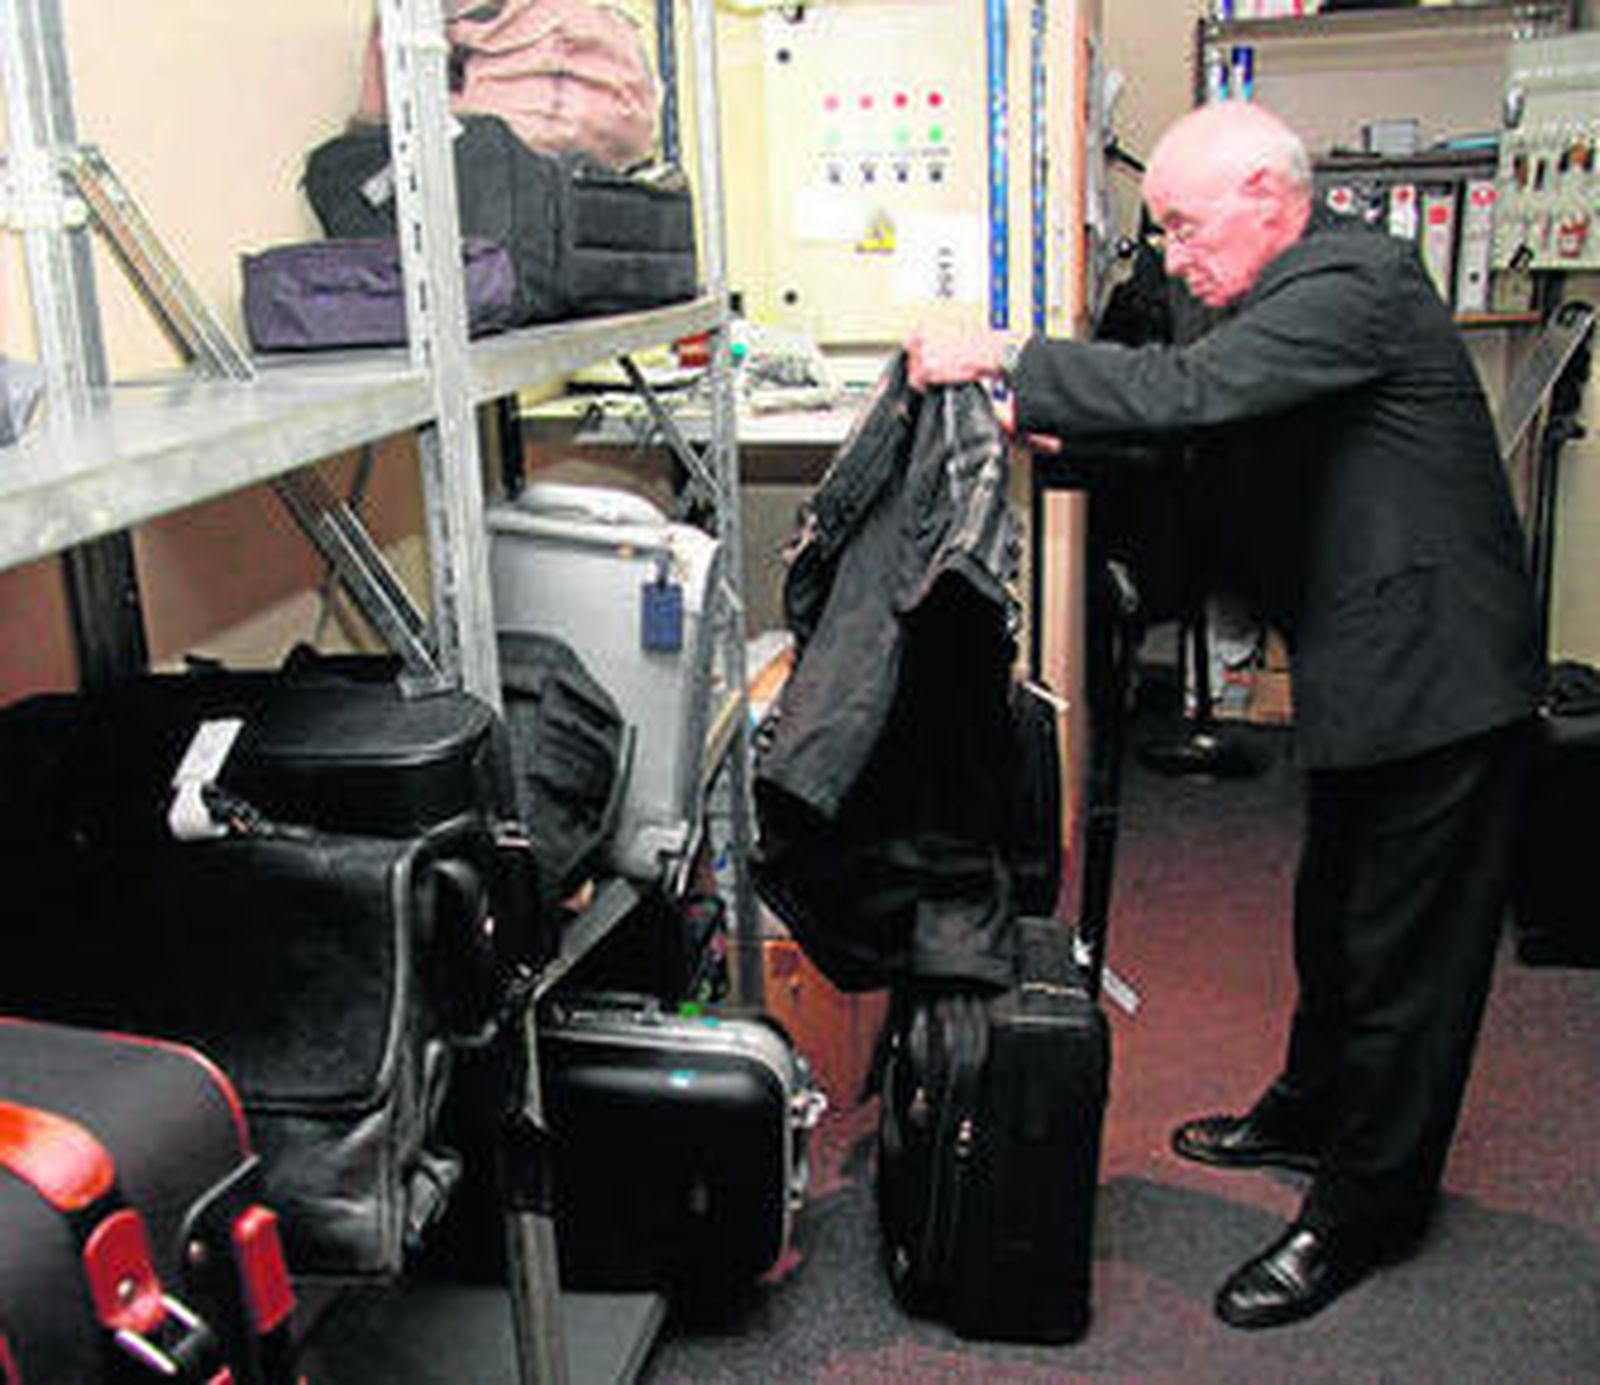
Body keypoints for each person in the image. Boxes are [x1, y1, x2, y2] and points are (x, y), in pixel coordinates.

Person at [906, 99, 1543, 1330]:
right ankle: (1308, 1106)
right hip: (1373, 669)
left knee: (1407, 963)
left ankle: (1362, 1209)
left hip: (1443, 684)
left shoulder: (1354, 280)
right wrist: (1067, 438)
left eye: (1188, 229)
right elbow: (1214, 447)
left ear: (1269, 192)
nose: (1178, 259)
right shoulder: (1278, 303)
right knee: (1334, 915)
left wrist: (1001, 350)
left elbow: (1197, 391)